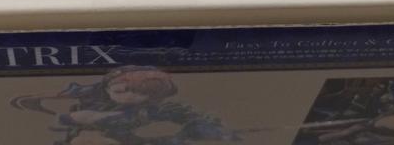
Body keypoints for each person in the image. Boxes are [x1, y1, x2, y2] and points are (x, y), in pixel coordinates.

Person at [13, 66, 239, 145]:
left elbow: (191, 117)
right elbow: (65, 100)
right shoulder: (96, 93)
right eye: (121, 91)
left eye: (140, 94)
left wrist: (215, 131)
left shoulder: (156, 109)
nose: (128, 96)